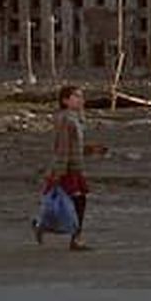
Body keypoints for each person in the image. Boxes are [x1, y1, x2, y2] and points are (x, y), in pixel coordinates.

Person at [35, 84, 107, 251]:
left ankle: (45, 227)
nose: (81, 99)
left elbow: (75, 146)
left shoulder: (76, 118)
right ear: (65, 100)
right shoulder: (65, 120)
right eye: (76, 96)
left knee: (72, 203)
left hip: (75, 167)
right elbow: (62, 147)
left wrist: (91, 149)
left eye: (81, 96)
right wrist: (58, 173)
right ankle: (73, 238)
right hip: (67, 169)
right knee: (73, 203)